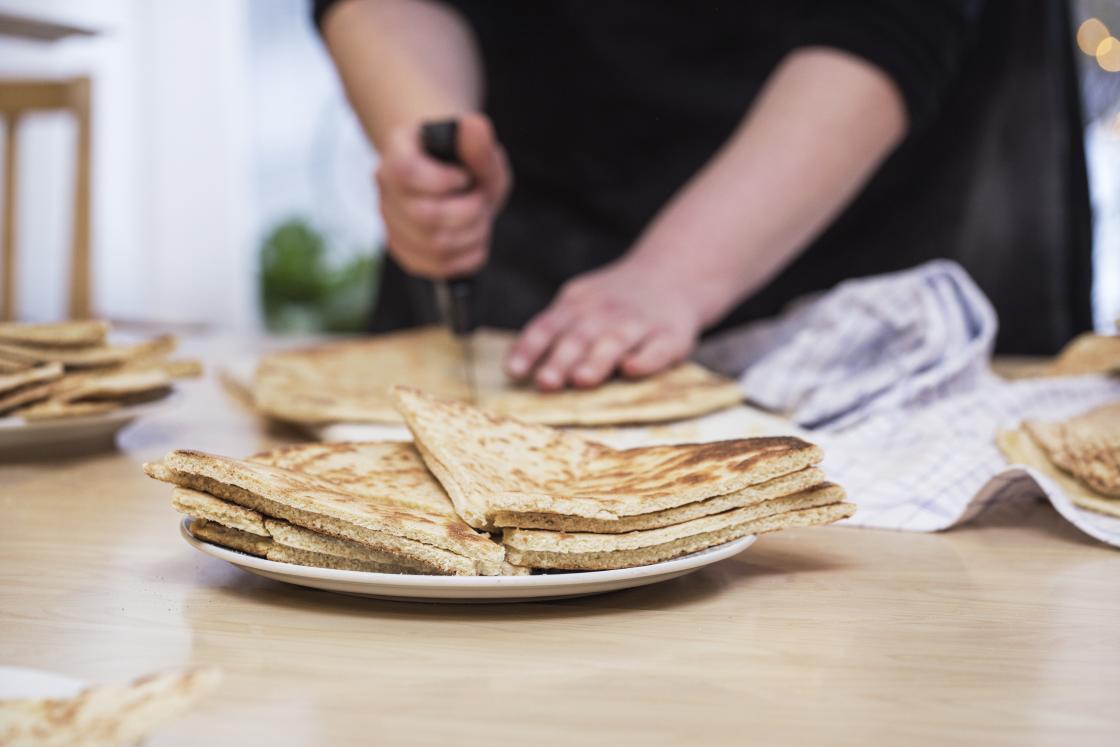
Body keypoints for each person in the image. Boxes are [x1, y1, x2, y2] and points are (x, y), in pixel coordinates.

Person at [313, 0, 1092, 390]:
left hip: (883, 211)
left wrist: (676, 272)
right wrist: (433, 139)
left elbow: (891, 21)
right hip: (538, 197)